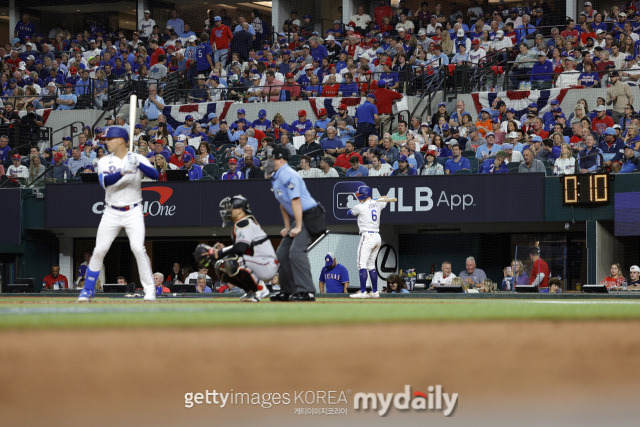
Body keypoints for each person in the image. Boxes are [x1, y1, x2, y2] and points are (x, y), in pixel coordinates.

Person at [77, 126, 159, 302]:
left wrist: (138, 164)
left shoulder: (136, 157)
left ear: (120, 140)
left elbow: (155, 175)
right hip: (111, 211)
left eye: (109, 139)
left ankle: (150, 290)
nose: (106, 142)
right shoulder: (104, 161)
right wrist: (122, 171)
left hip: (134, 210)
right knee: (99, 250)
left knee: (138, 248)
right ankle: (87, 290)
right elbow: (105, 182)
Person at [269, 146, 324, 302]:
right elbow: (283, 203)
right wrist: (287, 227)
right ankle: (287, 291)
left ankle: (307, 291)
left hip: (311, 215)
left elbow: (296, 200)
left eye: (273, 158)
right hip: (299, 216)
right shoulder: (277, 177)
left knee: (296, 252)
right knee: (282, 254)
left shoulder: (289, 174)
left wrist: (298, 227)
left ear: (280, 159)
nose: (271, 161)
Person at [348, 185, 397, 299]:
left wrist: (370, 202)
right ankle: (375, 292)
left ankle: (363, 292)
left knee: (361, 264)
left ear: (364, 194)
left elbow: (348, 213)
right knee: (370, 265)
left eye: (360, 194)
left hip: (367, 236)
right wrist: (375, 200)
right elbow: (385, 197)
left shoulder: (360, 207)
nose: (358, 195)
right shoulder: (378, 203)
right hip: (377, 237)